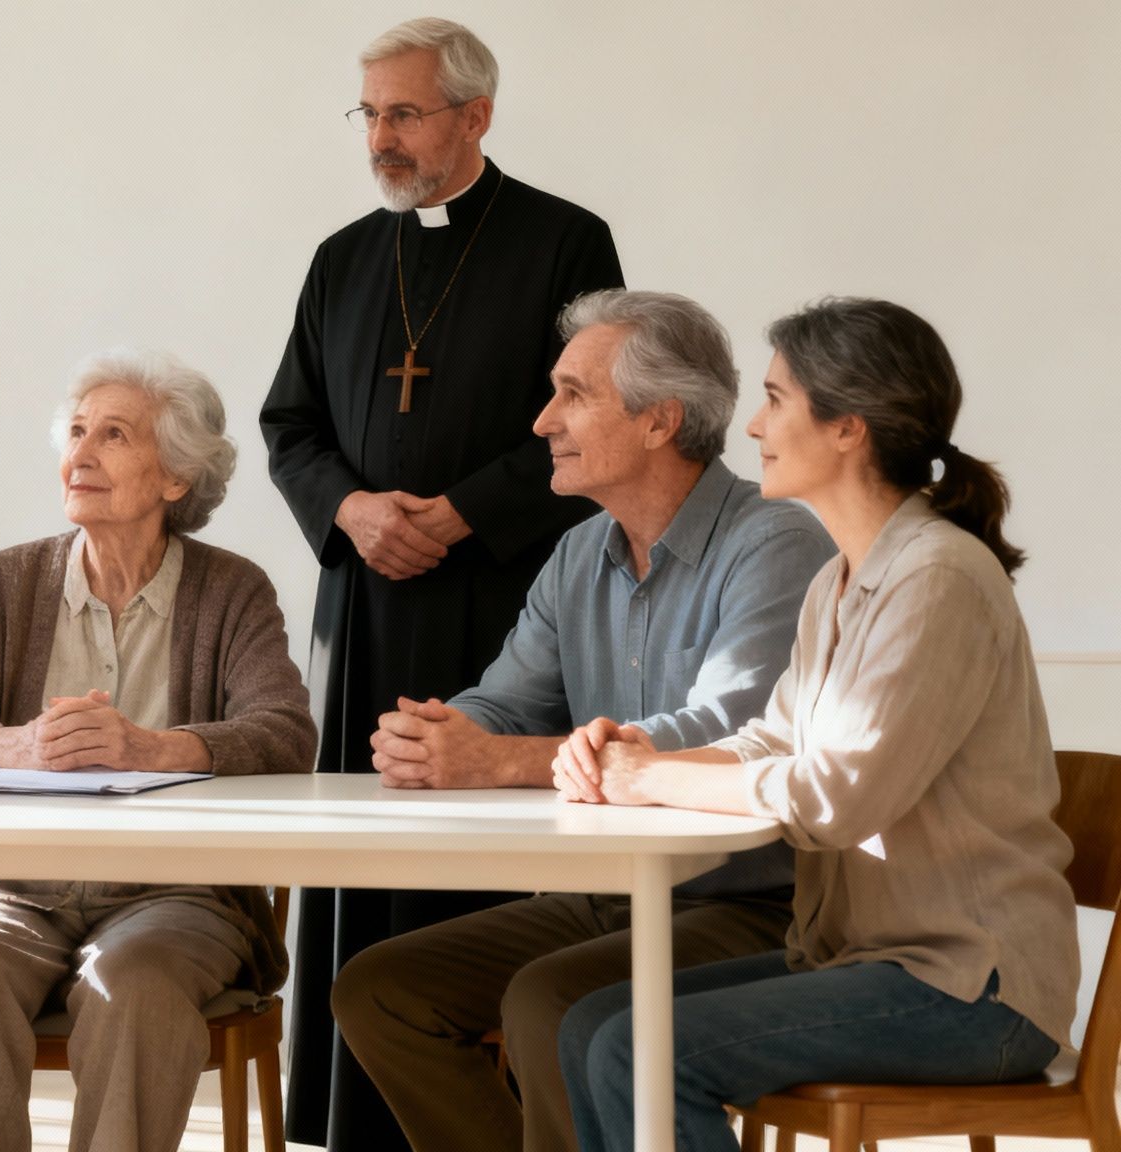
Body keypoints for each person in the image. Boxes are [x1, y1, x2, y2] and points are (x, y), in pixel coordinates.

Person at [553, 297, 1080, 1152]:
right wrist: (649, 749)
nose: (753, 423)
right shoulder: (842, 579)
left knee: (639, 1051)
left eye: (775, 399)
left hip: (972, 991)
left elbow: (834, 800)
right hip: (869, 962)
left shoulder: (937, 578)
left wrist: (646, 780)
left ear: (849, 429)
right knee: (588, 1026)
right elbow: (774, 742)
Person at [329, 290, 833, 1152]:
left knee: (545, 999)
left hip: (752, 905)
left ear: (658, 421)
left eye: (573, 393)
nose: (541, 421)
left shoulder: (774, 541)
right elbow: (506, 699)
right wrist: (437, 731)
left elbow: (726, 733)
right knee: (378, 988)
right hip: (607, 895)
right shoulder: (577, 552)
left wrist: (496, 762)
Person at [259, 18, 626, 1145]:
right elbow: (289, 426)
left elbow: (594, 416)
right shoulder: (340, 258)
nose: (380, 136)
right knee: (364, 854)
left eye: (403, 113)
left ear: (473, 115)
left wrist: (462, 513)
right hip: (364, 607)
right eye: (368, 113)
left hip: (501, 611)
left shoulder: (565, 243)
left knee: (481, 877)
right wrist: (351, 510)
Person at [0, 350, 315, 1152]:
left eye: (113, 435)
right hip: (6, 886)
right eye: (76, 432)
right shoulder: (4, 584)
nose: (79, 455)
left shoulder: (233, 591)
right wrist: (10, 745)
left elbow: (285, 733)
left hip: (176, 896)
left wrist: (153, 748)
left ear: (176, 477)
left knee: (137, 986)